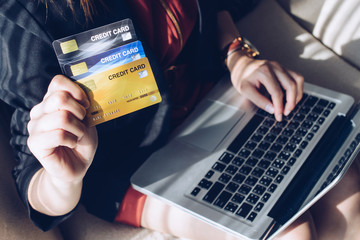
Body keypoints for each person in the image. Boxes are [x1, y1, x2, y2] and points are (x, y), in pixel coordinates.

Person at [0, 0, 359, 239]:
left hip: (211, 100)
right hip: (130, 167)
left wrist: (237, 55)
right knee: (289, 230)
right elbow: (33, 182)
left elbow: (213, 8)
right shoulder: (29, 14)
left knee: (345, 185)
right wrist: (64, 177)